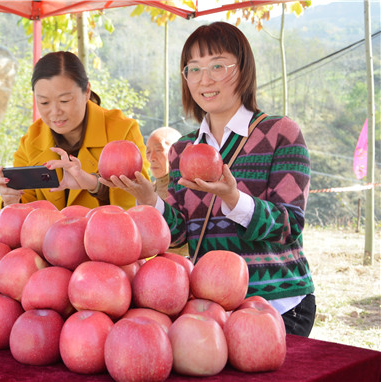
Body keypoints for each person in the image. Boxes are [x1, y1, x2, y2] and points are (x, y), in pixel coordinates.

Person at [101, 22, 315, 337]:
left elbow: (289, 225)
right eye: (194, 69)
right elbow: (178, 235)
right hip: (209, 307)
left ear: (242, 70)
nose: (205, 79)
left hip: (276, 305)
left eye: (217, 66)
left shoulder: (280, 132)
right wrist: (149, 200)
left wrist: (234, 198)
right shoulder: (183, 149)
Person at [0, 51, 150, 211]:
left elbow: (139, 200)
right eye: (44, 102)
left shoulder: (122, 132)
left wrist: (95, 185)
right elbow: (25, 205)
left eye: (64, 100)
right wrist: (11, 201)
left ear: (87, 92)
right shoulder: (32, 139)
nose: (55, 112)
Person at [146, 126, 182, 200]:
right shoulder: (148, 190)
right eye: (148, 151)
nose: (151, 158)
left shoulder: (185, 192)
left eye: (158, 150)